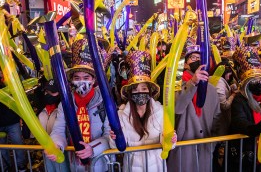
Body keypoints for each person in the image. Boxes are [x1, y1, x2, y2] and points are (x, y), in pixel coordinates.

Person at [45, 38, 110, 172]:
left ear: (93, 80)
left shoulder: (105, 101)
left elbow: (109, 134)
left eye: (86, 78)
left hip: (100, 164)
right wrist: (56, 144)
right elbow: (58, 130)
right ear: (72, 80)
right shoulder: (66, 104)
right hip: (74, 165)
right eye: (77, 78)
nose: (81, 82)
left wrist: (92, 148)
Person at [109, 50, 177, 171]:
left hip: (156, 167)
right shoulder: (122, 115)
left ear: (150, 91)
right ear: (130, 93)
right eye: (135, 90)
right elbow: (118, 147)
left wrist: (170, 139)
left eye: (144, 88)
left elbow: (168, 143)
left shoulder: (160, 112)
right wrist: (114, 138)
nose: (140, 92)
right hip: (132, 168)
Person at [167, 43, 223, 172]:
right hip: (182, 147)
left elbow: (217, 118)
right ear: (186, 64)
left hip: (204, 148)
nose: (197, 60)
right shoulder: (175, 86)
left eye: (200, 58)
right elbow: (177, 107)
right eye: (193, 58)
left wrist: (213, 143)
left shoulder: (212, 89)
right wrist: (193, 82)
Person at [0, 72, 27, 172]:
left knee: (17, 144)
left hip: (11, 121)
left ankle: (21, 165)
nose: (0, 76)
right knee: (2, 148)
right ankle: (6, 167)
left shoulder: (10, 85)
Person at [38, 79, 69, 172]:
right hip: (47, 151)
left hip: (63, 150)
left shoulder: (65, 110)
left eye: (52, 92)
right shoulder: (42, 111)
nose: (48, 94)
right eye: (47, 91)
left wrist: (58, 144)